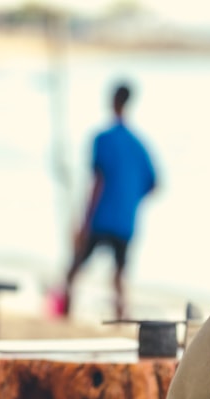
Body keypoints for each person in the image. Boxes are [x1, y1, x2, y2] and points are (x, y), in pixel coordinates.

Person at [61, 82, 157, 320]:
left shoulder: (102, 138)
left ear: (112, 100)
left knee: (75, 268)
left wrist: (84, 222)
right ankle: (121, 317)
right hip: (126, 220)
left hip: (101, 218)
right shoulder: (139, 144)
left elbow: (98, 182)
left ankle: (67, 312)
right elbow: (153, 183)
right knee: (119, 275)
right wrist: (131, 200)